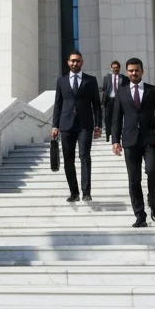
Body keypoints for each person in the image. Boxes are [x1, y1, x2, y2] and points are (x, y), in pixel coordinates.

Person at [110, 58, 155, 227]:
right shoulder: (121, 92)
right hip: (130, 140)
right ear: (127, 72)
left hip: (150, 139)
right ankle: (140, 214)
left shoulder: (153, 91)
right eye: (130, 70)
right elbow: (116, 118)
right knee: (134, 179)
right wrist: (115, 140)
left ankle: (152, 201)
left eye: (136, 70)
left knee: (152, 170)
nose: (133, 73)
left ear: (142, 71)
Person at [51, 50, 102, 202]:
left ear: (82, 62)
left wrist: (98, 125)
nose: (75, 63)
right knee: (68, 159)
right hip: (66, 125)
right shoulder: (61, 81)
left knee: (84, 156)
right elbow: (58, 105)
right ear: (68, 62)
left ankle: (86, 192)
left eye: (77, 61)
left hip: (85, 125)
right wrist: (55, 125)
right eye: (72, 61)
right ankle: (74, 192)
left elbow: (97, 105)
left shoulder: (90, 80)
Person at [101, 60, 127, 136]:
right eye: (114, 68)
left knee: (118, 117)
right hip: (109, 100)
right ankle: (108, 133)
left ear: (119, 68)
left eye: (117, 68)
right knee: (108, 117)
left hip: (119, 100)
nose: (115, 69)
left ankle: (118, 132)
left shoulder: (124, 78)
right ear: (111, 68)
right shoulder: (106, 78)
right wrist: (103, 102)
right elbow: (104, 90)